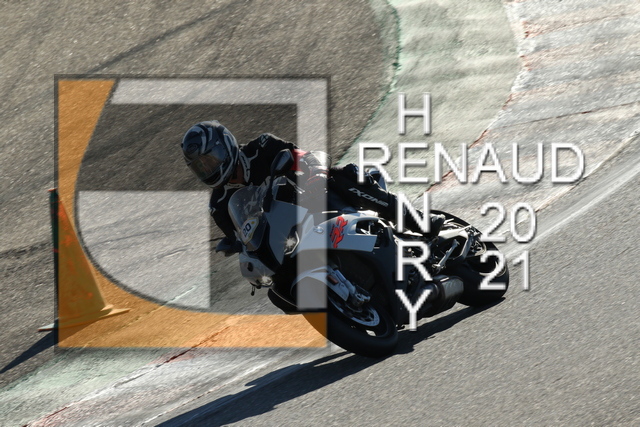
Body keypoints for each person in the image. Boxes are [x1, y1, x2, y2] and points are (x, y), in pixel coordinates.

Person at [181, 120, 444, 255]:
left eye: (209, 160)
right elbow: (240, 238)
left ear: (225, 146)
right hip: (287, 236)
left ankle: (418, 221)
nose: (207, 169)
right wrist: (233, 245)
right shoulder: (218, 205)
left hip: (313, 199)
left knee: (342, 177)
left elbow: (303, 156)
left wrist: (315, 174)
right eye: (200, 167)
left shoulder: (261, 147)